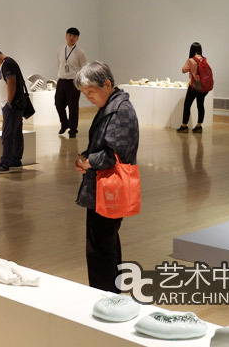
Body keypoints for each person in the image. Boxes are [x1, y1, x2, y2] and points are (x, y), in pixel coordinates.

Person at [74, 61, 139, 293]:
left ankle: (104, 297)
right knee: (104, 243)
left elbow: (114, 154)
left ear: (107, 84)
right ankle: (110, 296)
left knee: (100, 248)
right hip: (102, 187)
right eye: (84, 93)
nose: (88, 97)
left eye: (91, 91)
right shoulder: (111, 106)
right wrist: (86, 158)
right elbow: (102, 146)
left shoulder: (120, 110)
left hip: (109, 189)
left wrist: (88, 161)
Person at [55, 27, 88, 138]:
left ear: (77, 38)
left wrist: (81, 82)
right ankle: (64, 123)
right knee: (58, 104)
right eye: (70, 35)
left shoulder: (80, 52)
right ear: (66, 36)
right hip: (61, 81)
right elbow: (59, 64)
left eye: (74, 36)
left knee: (73, 107)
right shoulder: (60, 50)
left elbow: (84, 68)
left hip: (73, 82)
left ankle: (73, 129)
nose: (71, 38)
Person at [177, 42, 209, 133]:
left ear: (191, 50)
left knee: (187, 105)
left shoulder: (191, 60)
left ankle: (184, 125)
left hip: (194, 86)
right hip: (203, 87)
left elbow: (183, 70)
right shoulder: (204, 59)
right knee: (200, 105)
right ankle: (199, 125)